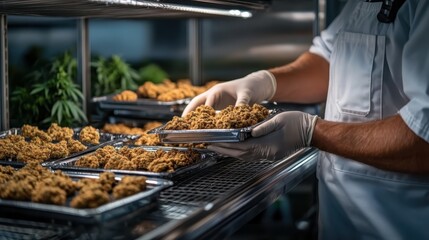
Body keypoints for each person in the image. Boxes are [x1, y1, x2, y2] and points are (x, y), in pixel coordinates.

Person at [182, 0, 429, 239]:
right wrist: (265, 82)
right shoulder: (359, 3)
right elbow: (327, 60)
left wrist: (310, 132)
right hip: (340, 221)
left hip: (401, 222)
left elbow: (423, 139)